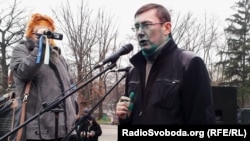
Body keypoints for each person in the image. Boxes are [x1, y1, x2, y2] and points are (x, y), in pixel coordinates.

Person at [115, 3, 216, 125]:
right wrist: (125, 118)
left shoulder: (189, 63)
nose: (139, 32)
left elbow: (201, 121)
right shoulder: (134, 71)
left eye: (146, 25)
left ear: (166, 28)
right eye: (137, 27)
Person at [10, 13, 78, 140]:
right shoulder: (22, 50)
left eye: (49, 32)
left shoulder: (59, 57)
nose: (46, 36)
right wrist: (39, 48)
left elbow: (72, 84)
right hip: (38, 131)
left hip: (66, 130)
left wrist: (74, 107)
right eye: (41, 32)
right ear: (31, 33)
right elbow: (22, 72)